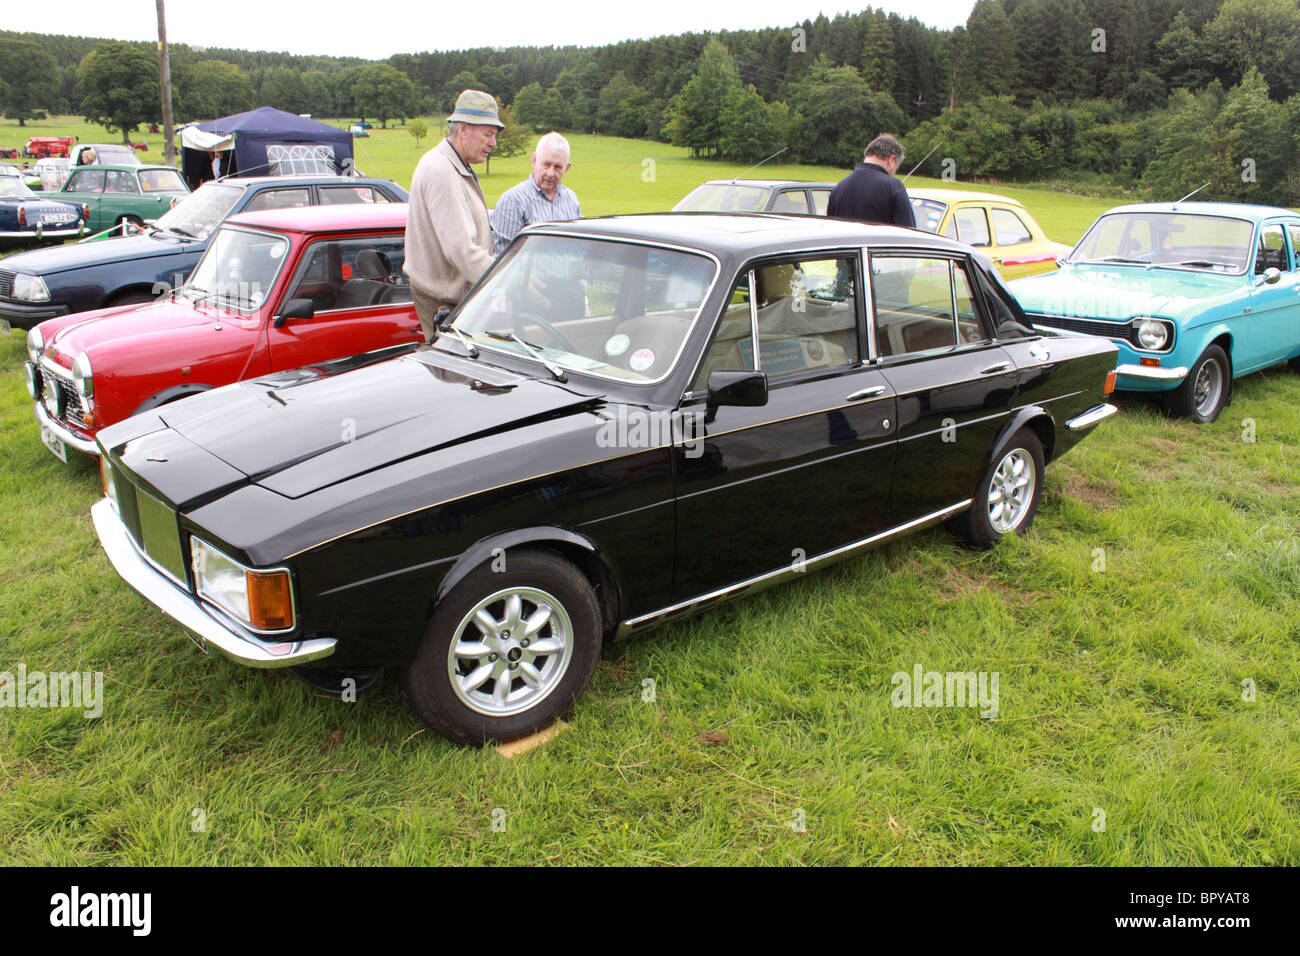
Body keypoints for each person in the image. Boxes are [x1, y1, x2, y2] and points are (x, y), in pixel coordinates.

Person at [404, 89, 503, 339]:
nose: (493, 143)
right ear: (463, 129)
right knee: (454, 376)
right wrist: (505, 280)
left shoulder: (453, 166)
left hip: (451, 299)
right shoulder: (442, 171)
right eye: (488, 134)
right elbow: (461, 249)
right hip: (443, 303)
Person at [490, 131, 581, 256]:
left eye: (558, 167)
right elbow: (503, 258)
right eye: (546, 164)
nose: (550, 173)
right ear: (534, 161)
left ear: (567, 168)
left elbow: (579, 249)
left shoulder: (571, 200)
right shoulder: (514, 200)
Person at [827, 134, 915, 228]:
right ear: (892, 160)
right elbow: (909, 233)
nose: (894, 172)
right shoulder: (894, 187)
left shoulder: (839, 187)